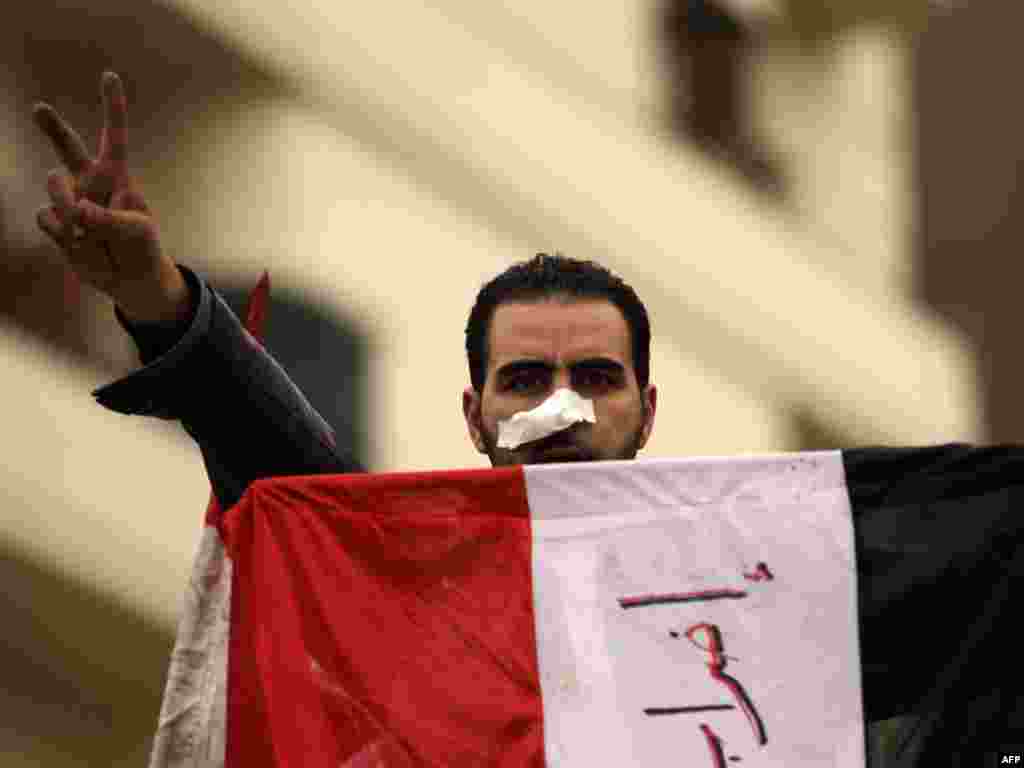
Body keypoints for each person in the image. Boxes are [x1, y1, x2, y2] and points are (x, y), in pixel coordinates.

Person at [32, 71, 1024, 767]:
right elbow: (297, 480)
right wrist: (157, 296)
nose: (560, 405)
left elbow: (971, 599)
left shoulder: (770, 586)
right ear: (473, 414)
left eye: (595, 377)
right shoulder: (423, 602)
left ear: (644, 413)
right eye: (525, 380)